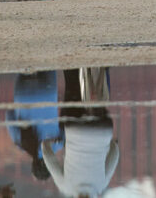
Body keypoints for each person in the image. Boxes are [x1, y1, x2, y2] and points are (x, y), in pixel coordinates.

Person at [42, 67, 119, 197]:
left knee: (100, 108)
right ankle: (73, 73)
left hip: (102, 130)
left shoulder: (101, 186)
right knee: (71, 101)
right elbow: (48, 156)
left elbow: (115, 154)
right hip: (75, 130)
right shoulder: (66, 187)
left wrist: (111, 143)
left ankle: (100, 75)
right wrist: (47, 143)